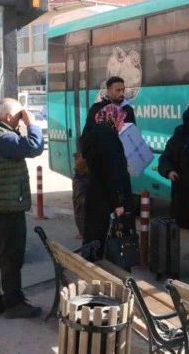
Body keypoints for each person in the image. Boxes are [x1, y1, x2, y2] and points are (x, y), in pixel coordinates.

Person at [0, 98, 45, 319]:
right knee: (11, 258)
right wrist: (31, 124)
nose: (20, 121)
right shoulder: (4, 137)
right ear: (10, 116)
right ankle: (14, 304)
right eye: (19, 116)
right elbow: (34, 147)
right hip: (6, 208)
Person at [79, 104, 133, 259]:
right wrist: (118, 203)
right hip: (107, 199)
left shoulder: (91, 135)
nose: (122, 123)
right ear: (112, 118)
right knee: (106, 239)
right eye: (121, 119)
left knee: (93, 235)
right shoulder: (109, 138)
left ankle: (89, 264)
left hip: (94, 194)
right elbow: (112, 174)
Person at [157, 105, 189, 269]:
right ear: (187, 121)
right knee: (188, 226)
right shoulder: (178, 139)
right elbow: (165, 160)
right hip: (185, 192)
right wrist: (169, 171)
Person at [72, 153, 89, 240]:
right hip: (82, 201)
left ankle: (83, 232)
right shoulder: (83, 179)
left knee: (80, 211)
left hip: (81, 202)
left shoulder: (79, 179)